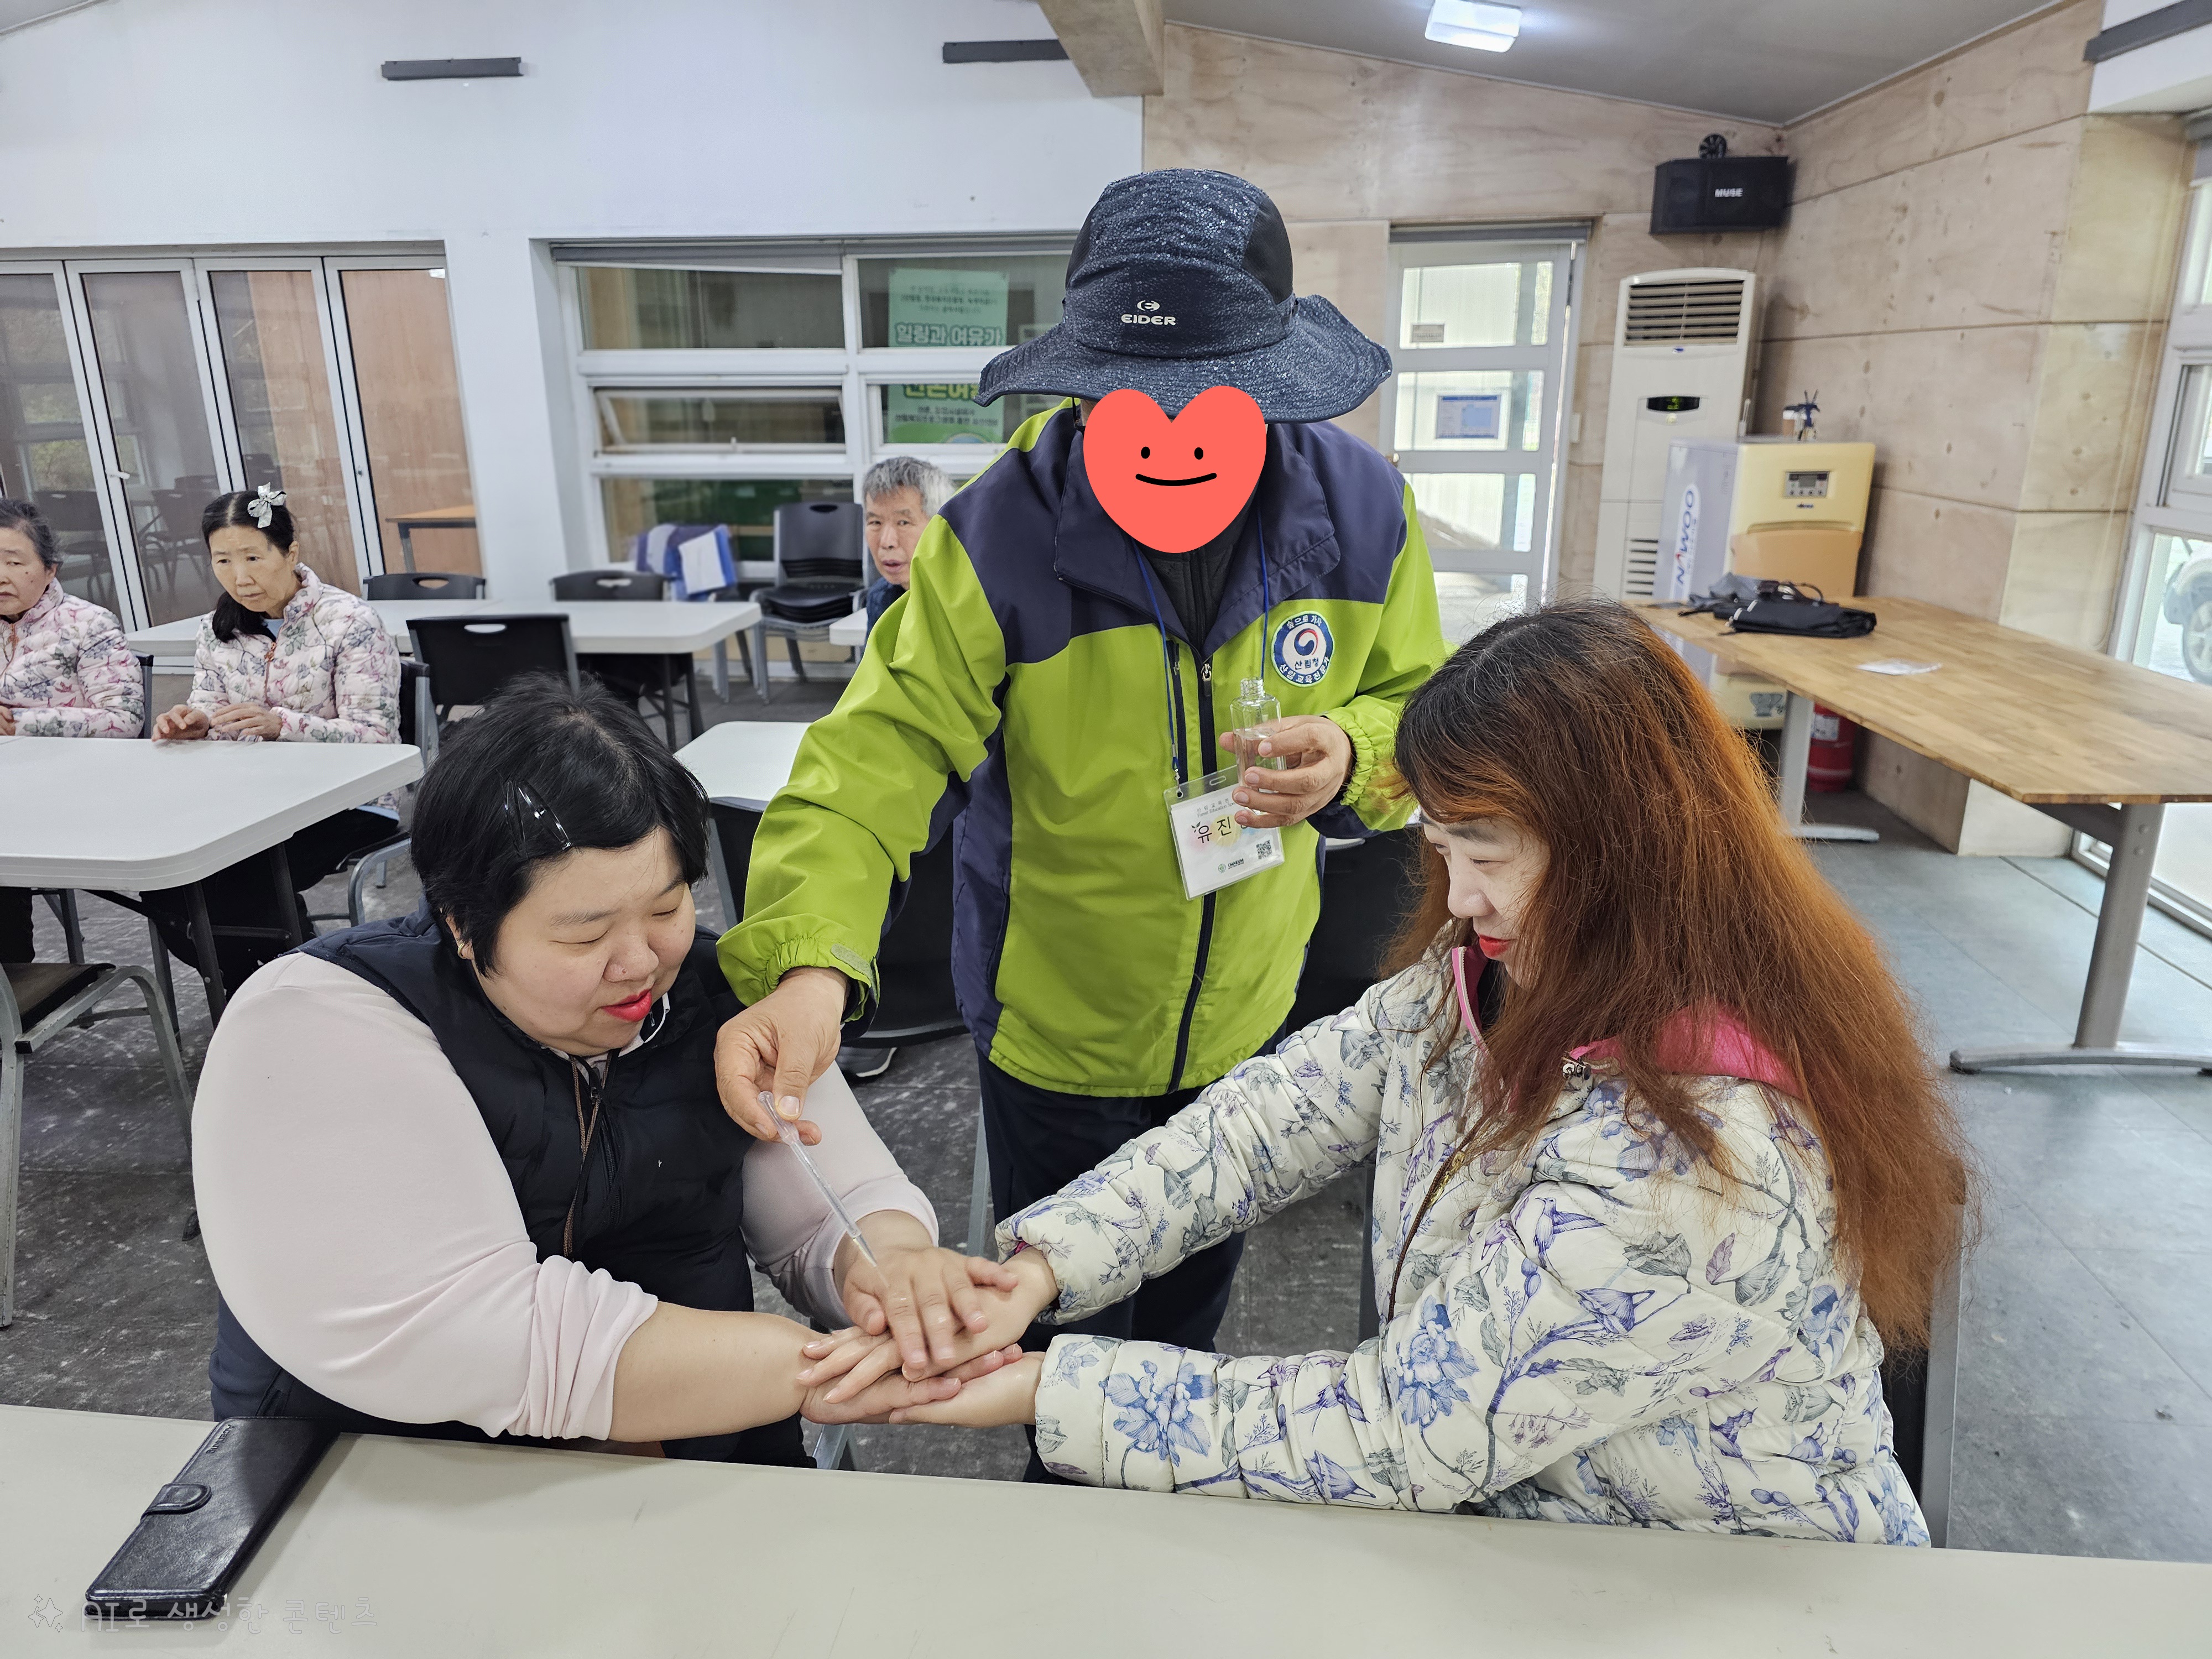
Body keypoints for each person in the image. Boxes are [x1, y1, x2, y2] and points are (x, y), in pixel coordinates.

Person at [811, 601, 1975, 1543]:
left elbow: (1403, 1430)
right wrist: (1039, 1269)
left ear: (1628, 850)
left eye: (1487, 852)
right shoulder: (1509, 974)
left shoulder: (1701, 1160)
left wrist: (1044, 1387)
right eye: (1440, 845)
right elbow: (1269, 1119)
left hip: (1730, 1592)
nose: (1459, 897)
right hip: (1525, 1533)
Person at [716, 170, 1448, 1475]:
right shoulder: (995, 535)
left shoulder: (1363, 514)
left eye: (1204, 399)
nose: (1166, 433)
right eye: (1130, 401)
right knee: (1053, 1342)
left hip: (1244, 1025)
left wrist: (1352, 753)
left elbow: (1423, 711)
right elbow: (871, 759)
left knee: (1184, 1329)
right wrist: (810, 959)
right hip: (1054, 1028)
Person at [195, 675, 1020, 1460]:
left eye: (667, 906)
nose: (640, 963)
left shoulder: (715, 998)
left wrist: (892, 1266)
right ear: (462, 923)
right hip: (392, 1483)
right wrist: (818, 1372)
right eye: (584, 936)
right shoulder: (323, 1021)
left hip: (701, 1457)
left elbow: (830, 1205)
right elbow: (482, 1334)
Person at [134, 487, 403, 989]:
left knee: (241, 875)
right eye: (223, 561)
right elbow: (210, 705)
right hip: (250, 800)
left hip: (347, 802)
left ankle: (290, 985)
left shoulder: (349, 621)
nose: (240, 577)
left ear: (290, 553)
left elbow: (377, 737)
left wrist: (283, 725)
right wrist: (195, 724)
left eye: (253, 557)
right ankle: (259, 985)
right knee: (168, 880)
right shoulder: (217, 628)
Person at [0, 496, 144, 962]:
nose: (0, 576)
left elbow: (124, 719)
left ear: (50, 570)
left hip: (75, 790)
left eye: (14, 562)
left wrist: (19, 724)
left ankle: (16, 986)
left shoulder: (89, 625)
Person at [860, 455, 950, 632]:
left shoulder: (973, 598)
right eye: (875, 522)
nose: (887, 542)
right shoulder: (881, 598)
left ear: (939, 527)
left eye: (903, 523)